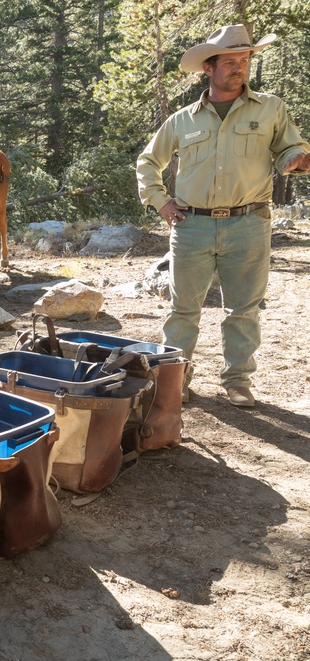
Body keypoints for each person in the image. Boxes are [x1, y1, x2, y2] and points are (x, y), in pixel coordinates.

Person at [137, 24, 310, 408]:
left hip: (249, 223)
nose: (239, 68)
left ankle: (238, 382)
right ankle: (174, 379)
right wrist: (162, 202)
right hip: (192, 226)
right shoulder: (183, 120)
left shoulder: (271, 109)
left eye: (245, 60)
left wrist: (295, 160)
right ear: (208, 68)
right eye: (230, 61)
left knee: (244, 309)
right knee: (183, 309)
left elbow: (289, 148)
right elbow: (149, 161)